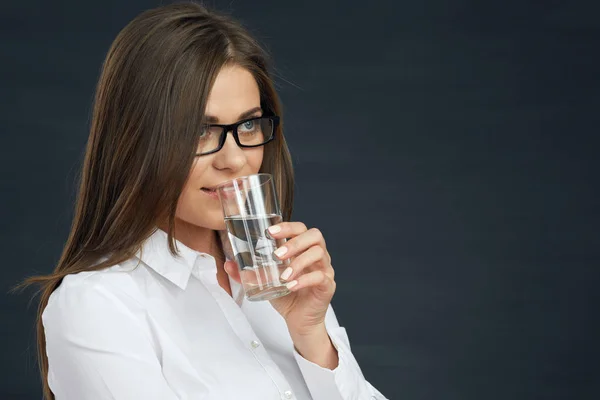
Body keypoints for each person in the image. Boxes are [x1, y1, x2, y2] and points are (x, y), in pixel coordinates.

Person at [23, 3, 389, 399]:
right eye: (200, 130)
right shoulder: (96, 306)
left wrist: (313, 337)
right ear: (136, 140)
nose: (234, 160)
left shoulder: (282, 278)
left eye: (248, 124)